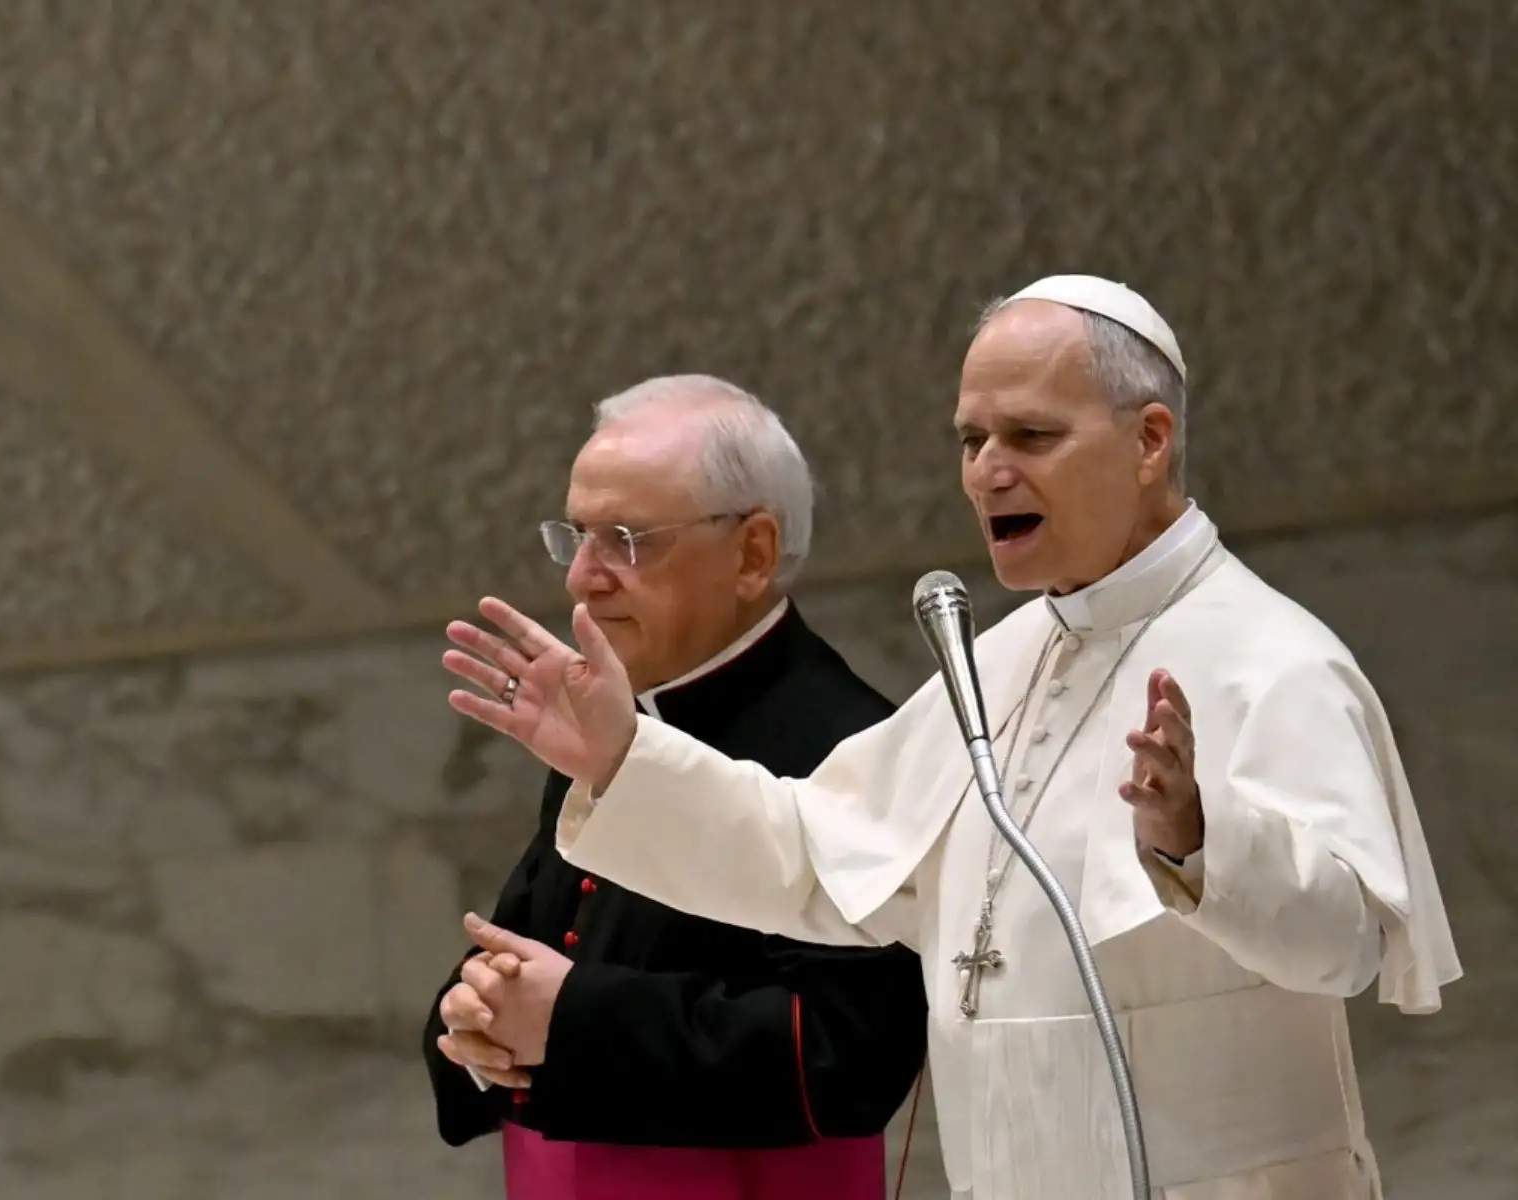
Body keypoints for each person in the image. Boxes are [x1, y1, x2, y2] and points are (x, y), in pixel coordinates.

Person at [440, 278, 1462, 1200]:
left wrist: (1203, 841)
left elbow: (1351, 945)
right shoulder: (1005, 663)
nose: (987, 473)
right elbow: (814, 855)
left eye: (1030, 436)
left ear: (1150, 441)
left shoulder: (1274, 657)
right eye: (972, 440)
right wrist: (622, 758)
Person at [422, 375, 929, 1200]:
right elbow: (531, 946)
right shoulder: (618, 712)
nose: (582, 578)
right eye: (575, 536)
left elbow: (847, 1050)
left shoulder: (855, 745)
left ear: (753, 553)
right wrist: (476, 1017)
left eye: (625, 539)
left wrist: (569, 1019)